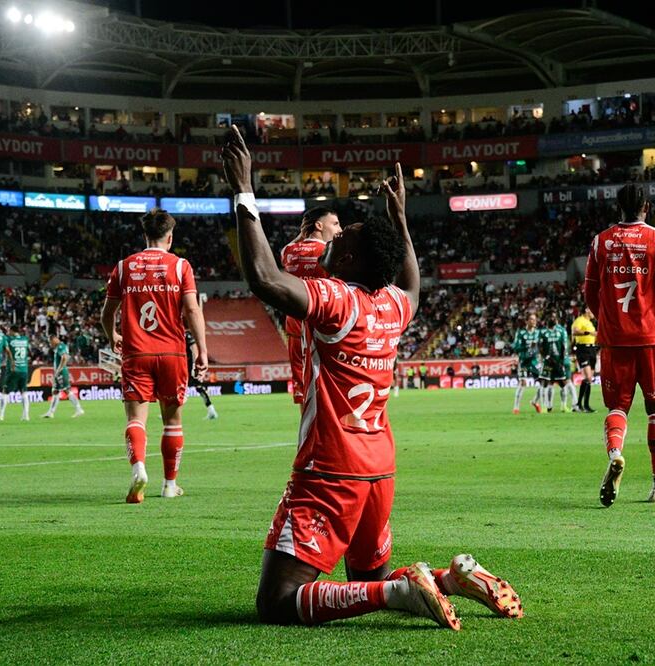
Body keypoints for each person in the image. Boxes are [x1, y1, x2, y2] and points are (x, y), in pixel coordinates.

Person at [222, 125, 521, 631]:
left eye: (346, 238)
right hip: (378, 467)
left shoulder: (338, 300)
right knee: (366, 580)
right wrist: (400, 219)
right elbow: (412, 282)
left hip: (330, 466)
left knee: (277, 601)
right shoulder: (392, 306)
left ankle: (406, 590)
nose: (336, 239)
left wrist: (243, 189)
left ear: (355, 259)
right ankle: (449, 580)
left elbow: (265, 278)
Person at [584, 183, 655, 506]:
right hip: (651, 339)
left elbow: (590, 292)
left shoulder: (600, 241)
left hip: (614, 340)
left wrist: (606, 319)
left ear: (618, 208)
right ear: (647, 206)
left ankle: (616, 453)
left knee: (617, 407)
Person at [101, 209, 209, 503]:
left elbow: (107, 313)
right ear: (170, 237)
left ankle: (138, 470)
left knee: (136, 419)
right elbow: (192, 310)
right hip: (172, 352)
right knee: (172, 422)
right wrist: (201, 349)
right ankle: (169, 485)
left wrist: (113, 336)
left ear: (145, 236)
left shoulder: (124, 267)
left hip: (136, 352)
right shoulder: (180, 266)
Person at [280, 207, 341, 405]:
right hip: (321, 329)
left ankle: (307, 434)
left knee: (303, 390)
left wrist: (302, 234)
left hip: (295, 328)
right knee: (329, 388)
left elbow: (292, 246)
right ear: (319, 225)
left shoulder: (288, 252)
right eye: (335, 224)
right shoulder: (330, 251)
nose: (340, 229)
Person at [42, 336, 85, 420]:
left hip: (61, 372)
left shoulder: (61, 346)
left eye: (50, 342)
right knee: (55, 391)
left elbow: (65, 357)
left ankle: (79, 409)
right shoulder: (60, 347)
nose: (51, 345)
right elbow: (66, 357)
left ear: (54, 339)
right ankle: (51, 412)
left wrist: (59, 369)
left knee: (66, 390)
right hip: (59, 372)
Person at [539, 311, 572, 412]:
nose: (552, 319)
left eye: (554, 317)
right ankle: (545, 406)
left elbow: (563, 346)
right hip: (548, 362)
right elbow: (540, 347)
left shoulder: (560, 331)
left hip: (558, 361)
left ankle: (564, 406)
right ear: (547, 320)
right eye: (550, 317)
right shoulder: (543, 332)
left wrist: (562, 360)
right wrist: (546, 357)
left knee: (563, 383)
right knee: (546, 382)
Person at [511, 313, 544, 414]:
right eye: (531, 319)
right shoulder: (520, 333)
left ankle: (535, 401)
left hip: (534, 362)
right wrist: (527, 346)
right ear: (526, 321)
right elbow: (515, 347)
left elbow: (542, 346)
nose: (533, 321)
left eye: (535, 319)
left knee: (544, 382)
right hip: (524, 362)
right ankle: (516, 408)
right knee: (522, 383)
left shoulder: (538, 333)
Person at [1, 324, 32, 422]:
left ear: (12, 331)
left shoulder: (9, 340)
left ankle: (1, 415)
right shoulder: (25, 339)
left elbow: (5, 343)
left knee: (5, 391)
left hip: (13, 369)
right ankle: (26, 415)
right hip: (24, 369)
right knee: (24, 391)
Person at [185, 330, 218, 420]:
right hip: (185, 366)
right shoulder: (182, 334)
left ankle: (211, 410)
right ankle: (211, 410)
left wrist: (194, 366)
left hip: (190, 367)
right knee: (197, 387)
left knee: (198, 386)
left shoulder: (187, 336)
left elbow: (194, 350)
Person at [571, 307, 598, 413]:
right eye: (591, 311)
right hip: (583, 349)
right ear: (587, 310)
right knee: (588, 376)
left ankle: (580, 404)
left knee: (589, 379)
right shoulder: (579, 320)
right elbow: (575, 332)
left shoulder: (590, 323)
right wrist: (589, 333)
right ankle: (584, 405)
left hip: (592, 349)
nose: (593, 314)